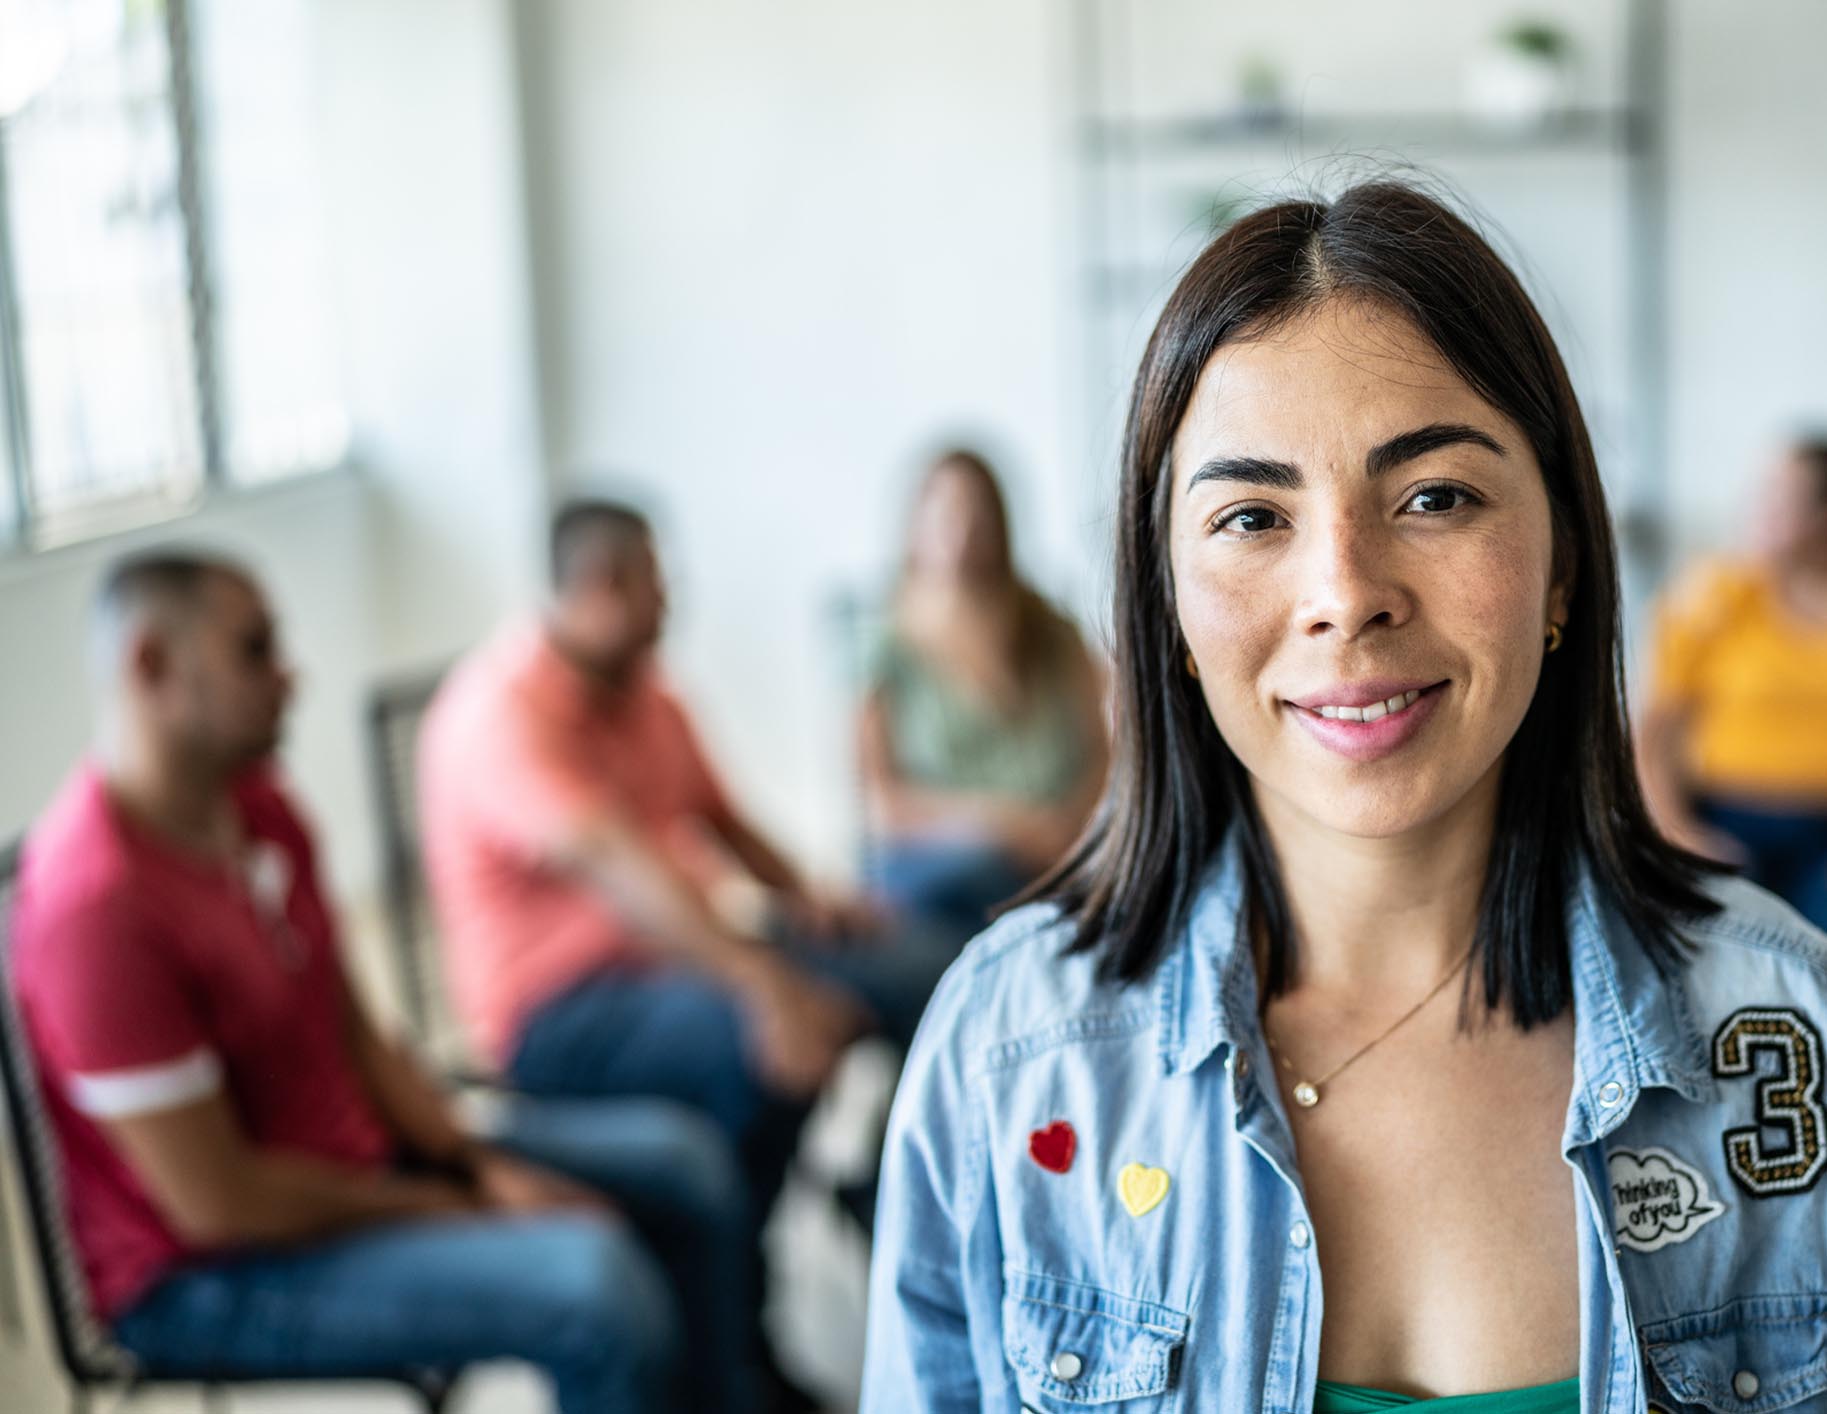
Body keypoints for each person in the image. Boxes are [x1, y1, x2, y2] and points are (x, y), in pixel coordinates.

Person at [862, 183, 1827, 1414]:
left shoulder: (1793, 1038)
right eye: (1252, 516)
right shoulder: (1009, 1059)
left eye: (1435, 497)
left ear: (1564, 563)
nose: (1344, 593)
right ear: (1168, 607)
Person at [10, 550, 759, 1414]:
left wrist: (468, 1162)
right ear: (150, 664)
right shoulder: (93, 906)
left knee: (685, 1165)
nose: (290, 675)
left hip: (350, 1170)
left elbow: (354, 1030)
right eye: (255, 649)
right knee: (593, 1287)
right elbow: (220, 1203)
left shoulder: (252, 803)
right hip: (204, 1273)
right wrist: (462, 1209)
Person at [417, 499, 953, 1403]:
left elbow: (724, 819)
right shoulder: (501, 713)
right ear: (600, 586)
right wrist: (763, 984)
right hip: (560, 1011)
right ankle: (730, 1350)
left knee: (920, 967)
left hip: (677, 957)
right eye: (656, 585)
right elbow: (621, 867)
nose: (672, 604)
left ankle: (885, 1191)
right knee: (769, 1050)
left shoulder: (648, 690)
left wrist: (812, 898)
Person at [858, 449, 1108, 947]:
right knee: (980, 877)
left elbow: (1103, 755)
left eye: (976, 513)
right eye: (948, 514)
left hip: (1060, 847)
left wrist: (1068, 831)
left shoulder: (1054, 633)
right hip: (945, 860)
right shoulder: (883, 648)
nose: (964, 530)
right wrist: (1008, 829)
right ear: (916, 526)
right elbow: (883, 808)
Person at [1637, 437, 1827, 928]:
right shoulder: (1714, 595)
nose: (1759, 510)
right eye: (1762, 493)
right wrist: (1679, 831)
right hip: (1726, 822)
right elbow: (1654, 733)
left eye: (1783, 499)